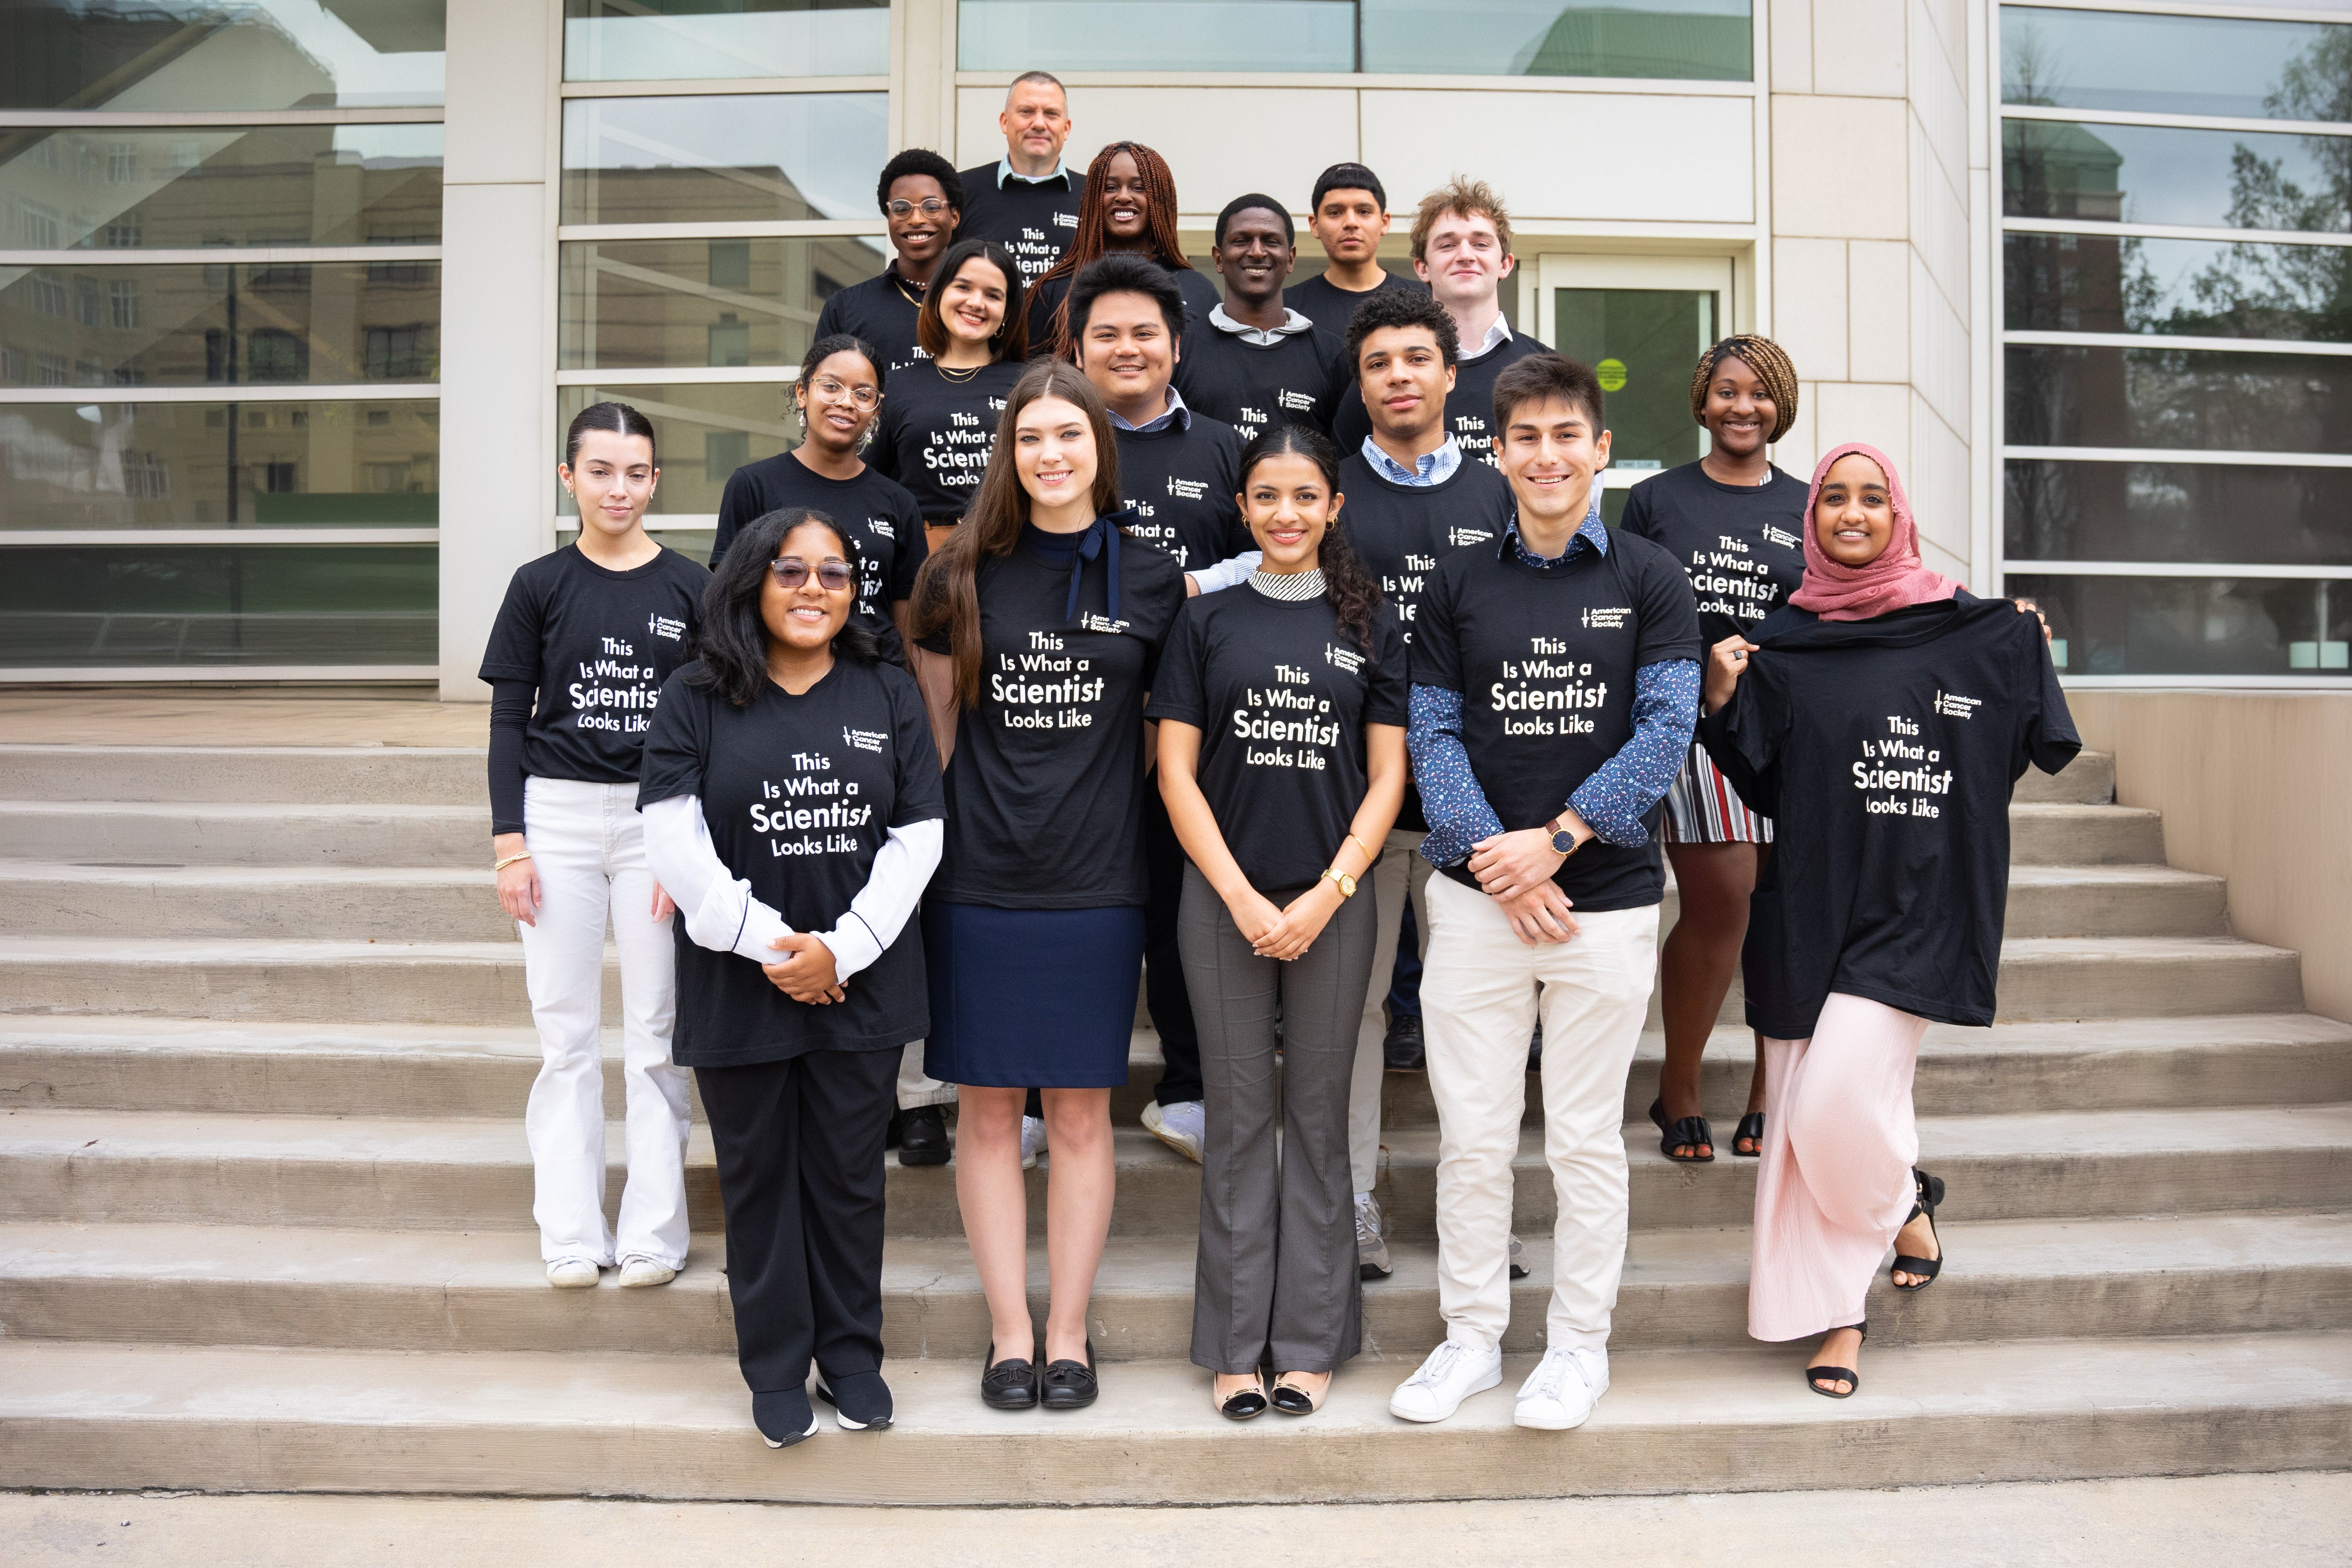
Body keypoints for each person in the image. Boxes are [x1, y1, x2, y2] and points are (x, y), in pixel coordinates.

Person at [1698, 441, 2077, 1399]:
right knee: (1802, 1115)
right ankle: (1845, 1305)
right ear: (1810, 519)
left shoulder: (1974, 630)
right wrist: (1719, 697)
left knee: (1834, 1105)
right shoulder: (1781, 642)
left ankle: (1897, 1202)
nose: (1852, 513)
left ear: (1897, 514)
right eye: (1834, 498)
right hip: (1806, 907)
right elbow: (1755, 778)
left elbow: (2027, 743)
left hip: (1916, 905)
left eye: (1872, 498)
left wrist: (2021, 643)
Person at [1388, 354, 1702, 1431]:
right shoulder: (1457, 579)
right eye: (1525, 437)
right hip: (1477, 905)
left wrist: (1555, 844)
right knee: (1472, 1135)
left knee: (1580, 1138)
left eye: (1566, 435)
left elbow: (1666, 729)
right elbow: (1431, 732)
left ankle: (1577, 1348)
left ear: (1601, 450)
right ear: (1499, 453)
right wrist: (1496, 859)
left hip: (1603, 901)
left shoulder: (1651, 578)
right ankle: (1470, 1338)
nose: (1546, 455)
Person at [909, 359, 1188, 1412]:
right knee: (986, 1116)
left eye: (1070, 436)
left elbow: (1175, 733)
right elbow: (936, 730)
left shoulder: (1151, 575)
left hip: (1099, 879)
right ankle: (1008, 1334)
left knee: (1079, 1115)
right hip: (978, 878)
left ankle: (1068, 1332)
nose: (1051, 454)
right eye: (1031, 438)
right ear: (1009, 452)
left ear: (1098, 451)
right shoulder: (959, 574)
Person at [639, 508, 945, 1448]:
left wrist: (839, 951)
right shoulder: (695, 692)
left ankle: (852, 1360)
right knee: (760, 1179)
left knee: (851, 1180)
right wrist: (780, 950)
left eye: (835, 573)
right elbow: (672, 841)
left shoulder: (884, 690)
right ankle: (774, 1368)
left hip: (862, 983)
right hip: (741, 985)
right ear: (750, 581)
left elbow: (919, 833)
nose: (814, 587)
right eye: (791, 570)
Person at [1149, 424, 1408, 1419]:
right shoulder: (1207, 621)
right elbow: (1174, 771)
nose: (1285, 514)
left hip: (1333, 903)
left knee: (1317, 1119)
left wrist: (1328, 891)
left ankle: (1307, 1340)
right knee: (1238, 1119)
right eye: (1266, 497)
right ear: (1243, 508)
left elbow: (1386, 776)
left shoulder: (1369, 621)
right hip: (1221, 905)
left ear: (1334, 507)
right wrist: (1243, 896)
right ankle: (1231, 1346)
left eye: (1305, 496)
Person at [479, 401, 708, 1292]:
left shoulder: (692, 586)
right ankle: (571, 1233)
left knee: (655, 1034)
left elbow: (711, 724)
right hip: (557, 819)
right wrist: (509, 844)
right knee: (565, 1034)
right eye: (601, 470)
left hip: (658, 821)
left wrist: (687, 846)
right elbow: (508, 719)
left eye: (636, 471)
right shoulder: (538, 584)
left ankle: (654, 1233)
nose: (619, 487)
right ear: (569, 477)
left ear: (655, 480)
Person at [710, 333, 956, 1163]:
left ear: (878, 409)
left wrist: (926, 721)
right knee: (799, 865)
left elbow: (912, 623)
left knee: (888, 890)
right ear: (801, 392)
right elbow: (724, 601)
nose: (846, 402)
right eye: (831, 386)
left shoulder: (892, 499)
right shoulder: (756, 485)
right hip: (769, 703)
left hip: (872, 708)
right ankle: (797, 1050)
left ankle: (912, 1097)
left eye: (863, 392)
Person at [1330, 287, 1515, 1278]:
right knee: (1354, 1012)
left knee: (1472, 1012)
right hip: (1351, 799)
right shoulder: (1323, 490)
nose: (1397, 377)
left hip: (1473, 803)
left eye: (1415, 360)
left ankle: (1477, 1210)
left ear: (1451, 376)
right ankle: (1353, 1201)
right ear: (1357, 385)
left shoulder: (1496, 495)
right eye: (1376, 364)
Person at [1068, 253, 1263, 1165]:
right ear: (1077, 347)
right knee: (1075, 904)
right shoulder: (1053, 436)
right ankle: (1045, 1085)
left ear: (1177, 346)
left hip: (1192, 722)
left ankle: (1186, 1085)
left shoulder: (1221, 448)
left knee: (1184, 905)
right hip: (1069, 720)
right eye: (1105, 332)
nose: (1126, 347)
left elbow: (1263, 565)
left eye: (1144, 331)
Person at [1617, 334, 1807, 1163]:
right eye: (1727, 391)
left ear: (1781, 406)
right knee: (1724, 892)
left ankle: (1771, 1089)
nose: (1742, 406)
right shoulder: (1657, 498)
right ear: (1701, 401)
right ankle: (1679, 1086)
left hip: (1791, 728)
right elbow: (1631, 614)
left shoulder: (1810, 503)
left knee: (1784, 908)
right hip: (1692, 723)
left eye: (1759, 393)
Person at [1334, 178, 1548, 465]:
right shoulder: (1382, 379)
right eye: (1447, 245)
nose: (1465, 255)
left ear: (1505, 264)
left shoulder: (1546, 369)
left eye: (1481, 244)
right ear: (1422, 268)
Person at [866, 238, 1028, 556]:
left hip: (1013, 552)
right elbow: (871, 485)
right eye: (963, 287)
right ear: (938, 294)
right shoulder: (894, 387)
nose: (976, 302)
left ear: (1007, 312)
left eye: (993, 295)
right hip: (920, 556)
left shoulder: (1031, 383)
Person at [1173, 194, 1347, 441]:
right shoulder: (1179, 349)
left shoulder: (1332, 356)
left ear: (1290, 259)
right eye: (1241, 241)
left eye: (1271, 241)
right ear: (1218, 258)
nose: (1256, 252)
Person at [1027, 140, 1221, 360]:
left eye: (1139, 188)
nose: (1123, 196)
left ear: (1160, 200)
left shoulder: (1197, 289)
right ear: (1092, 199)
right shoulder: (1054, 290)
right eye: (1110, 188)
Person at [813, 150, 964, 378]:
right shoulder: (845, 308)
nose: (916, 220)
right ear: (889, 218)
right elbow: (824, 390)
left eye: (931, 207)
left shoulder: (982, 305)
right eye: (901, 209)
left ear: (954, 217)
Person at [955, 72, 1083, 289]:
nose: (1039, 123)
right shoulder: (961, 191)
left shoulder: (1094, 196)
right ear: (1005, 122)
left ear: (1066, 128)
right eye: (1027, 112)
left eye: (1051, 114)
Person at [1285, 162, 1427, 330]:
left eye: (1364, 212)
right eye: (1335, 213)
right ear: (1315, 226)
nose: (1351, 223)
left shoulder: (1425, 300)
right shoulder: (1287, 310)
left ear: (1384, 223)